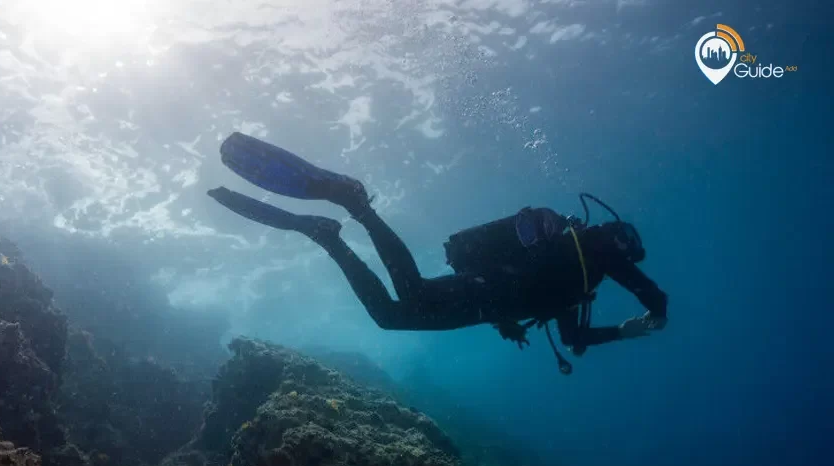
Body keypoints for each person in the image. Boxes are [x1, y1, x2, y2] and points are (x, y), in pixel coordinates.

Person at [207, 132, 668, 373]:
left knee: (392, 315)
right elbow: (652, 293)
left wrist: (626, 333)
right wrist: (657, 312)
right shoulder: (595, 251)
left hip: (492, 301)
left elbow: (575, 341)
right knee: (412, 292)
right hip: (493, 289)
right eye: (626, 245)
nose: (625, 253)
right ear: (617, 238)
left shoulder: (583, 279)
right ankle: (355, 209)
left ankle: (328, 235)